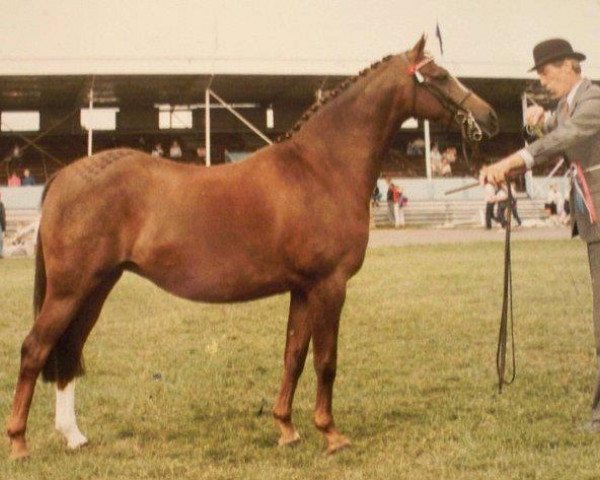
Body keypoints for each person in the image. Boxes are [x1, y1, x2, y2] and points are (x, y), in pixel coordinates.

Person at [480, 38, 600, 428]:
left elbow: (566, 137)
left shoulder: (593, 100)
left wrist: (514, 159)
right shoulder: (569, 105)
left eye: (547, 74)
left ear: (569, 66)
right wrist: (536, 121)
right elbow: (553, 125)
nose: (544, 84)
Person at [0, 191, 5, 259]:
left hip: (0, 224)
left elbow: (3, 216)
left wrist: (4, 227)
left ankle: (0, 253)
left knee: (0, 239)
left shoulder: (1, 205)